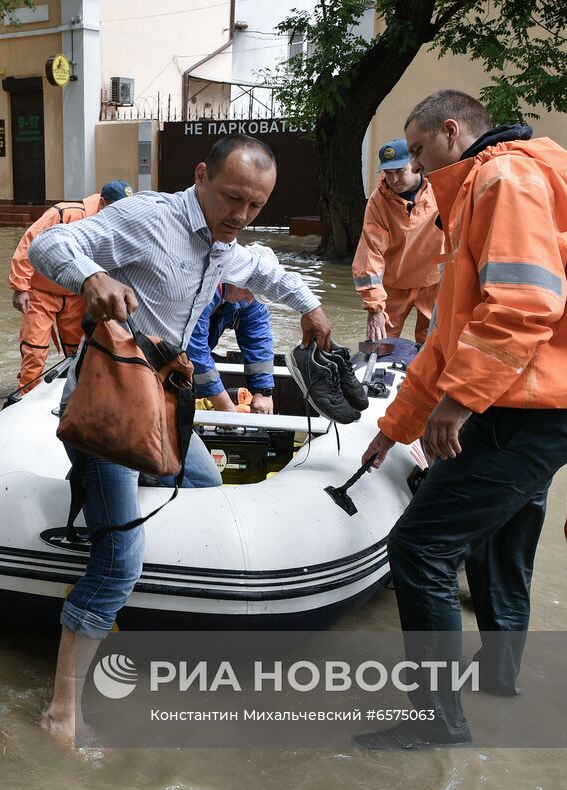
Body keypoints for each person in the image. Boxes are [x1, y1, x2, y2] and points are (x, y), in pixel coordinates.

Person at [27, 135, 336, 748]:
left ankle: (148, 622)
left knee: (207, 491)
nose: (240, 216)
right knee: (119, 562)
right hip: (109, 406)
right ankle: (62, 711)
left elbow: (268, 271)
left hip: (165, 404)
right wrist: (90, 277)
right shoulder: (147, 219)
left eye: (255, 205)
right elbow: (48, 243)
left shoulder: (229, 248)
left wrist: (312, 309)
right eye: (231, 199)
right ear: (201, 176)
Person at [356, 90, 567, 750]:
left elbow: (523, 307)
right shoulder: (490, 186)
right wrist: (396, 425)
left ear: (450, 132)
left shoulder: (501, 178)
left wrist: (456, 403)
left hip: (520, 412)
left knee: (420, 548)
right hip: (539, 408)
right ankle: (498, 679)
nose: (411, 166)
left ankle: (438, 722)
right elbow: (447, 339)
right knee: (501, 540)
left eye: (416, 150)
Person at [9, 180, 134, 392]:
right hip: (41, 292)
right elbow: (29, 242)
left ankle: (75, 394)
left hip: (76, 294)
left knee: (78, 350)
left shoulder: (116, 225)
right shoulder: (65, 213)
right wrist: (20, 286)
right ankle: (25, 394)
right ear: (103, 203)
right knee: (35, 348)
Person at [352, 139, 443, 342]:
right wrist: (374, 307)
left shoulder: (440, 186)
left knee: (434, 343)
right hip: (393, 285)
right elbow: (370, 254)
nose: (393, 179)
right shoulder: (378, 201)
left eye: (399, 171)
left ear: (416, 164)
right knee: (381, 343)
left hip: (432, 283)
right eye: (387, 173)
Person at [188, 274, 276, 414]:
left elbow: (258, 339)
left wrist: (263, 392)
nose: (249, 299)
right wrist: (223, 404)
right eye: (248, 292)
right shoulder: (201, 289)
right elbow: (193, 348)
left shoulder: (248, 296)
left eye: (255, 295)